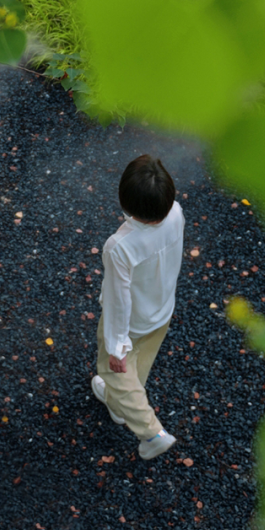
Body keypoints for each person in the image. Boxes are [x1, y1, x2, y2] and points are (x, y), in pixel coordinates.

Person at [91, 153, 184, 461]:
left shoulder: (120, 246)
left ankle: (152, 432)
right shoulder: (177, 214)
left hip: (132, 320)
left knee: (113, 368)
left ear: (125, 202)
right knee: (140, 361)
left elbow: (119, 299)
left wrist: (117, 345)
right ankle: (118, 408)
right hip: (161, 309)